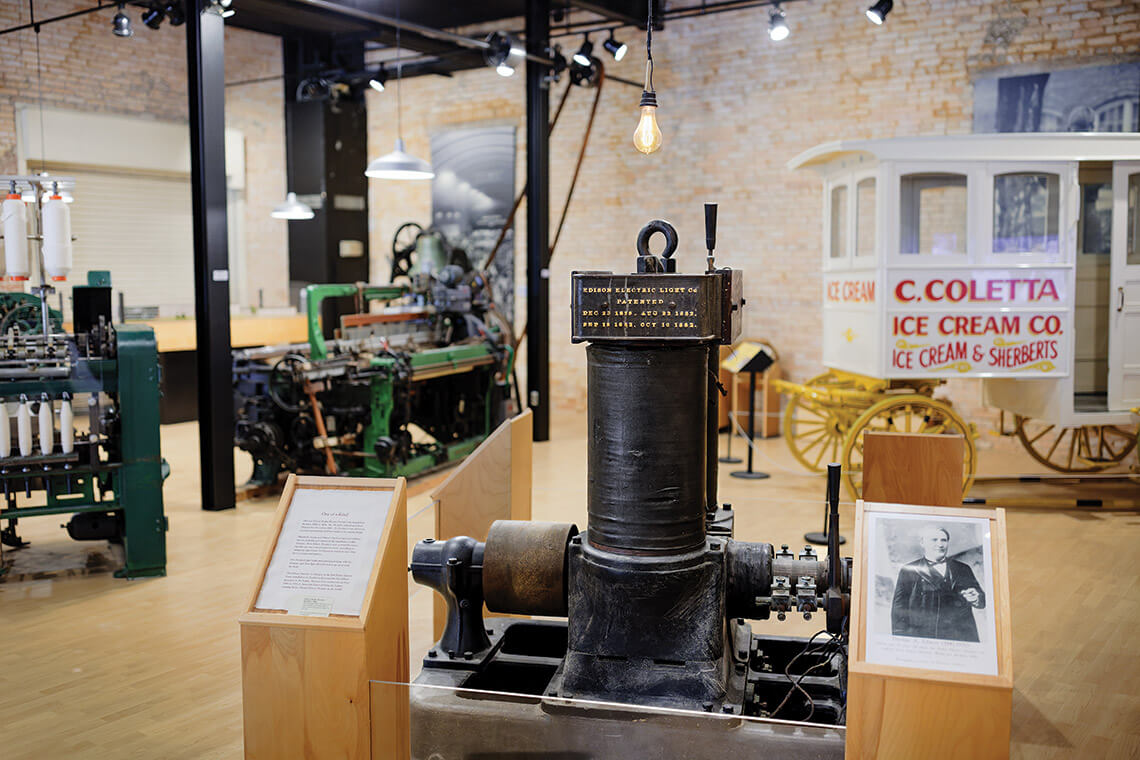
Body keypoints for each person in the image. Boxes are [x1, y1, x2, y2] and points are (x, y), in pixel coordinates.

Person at [890, 525, 985, 642]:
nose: (940, 544)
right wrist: (900, 640)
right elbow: (899, 610)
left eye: (943, 540)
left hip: (960, 638)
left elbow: (982, 600)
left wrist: (976, 598)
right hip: (924, 638)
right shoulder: (908, 570)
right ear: (922, 543)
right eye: (934, 540)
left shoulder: (963, 569)